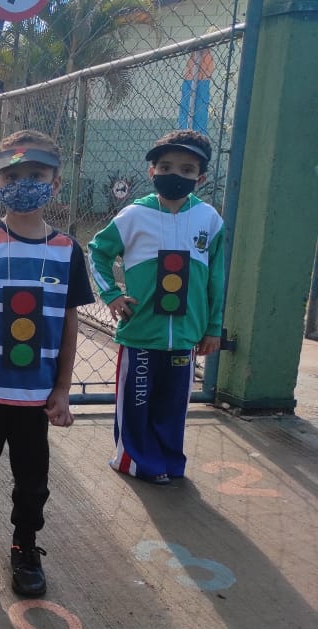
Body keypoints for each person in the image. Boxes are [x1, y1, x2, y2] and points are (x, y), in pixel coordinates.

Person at [0, 129, 95, 596]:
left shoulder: (67, 250)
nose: (23, 183)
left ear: (56, 182)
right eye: (12, 176)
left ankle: (25, 545)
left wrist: (62, 389)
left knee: (32, 482)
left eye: (36, 174)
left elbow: (69, 324)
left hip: (36, 397)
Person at [88, 130, 225, 485]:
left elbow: (216, 278)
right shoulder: (134, 215)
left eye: (186, 169)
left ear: (201, 177)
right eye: (165, 167)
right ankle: (134, 460)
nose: (175, 175)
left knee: (173, 405)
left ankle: (167, 461)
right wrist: (111, 295)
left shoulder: (209, 220)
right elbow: (97, 252)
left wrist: (212, 327)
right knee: (136, 403)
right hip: (141, 332)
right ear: (152, 171)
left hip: (185, 336)